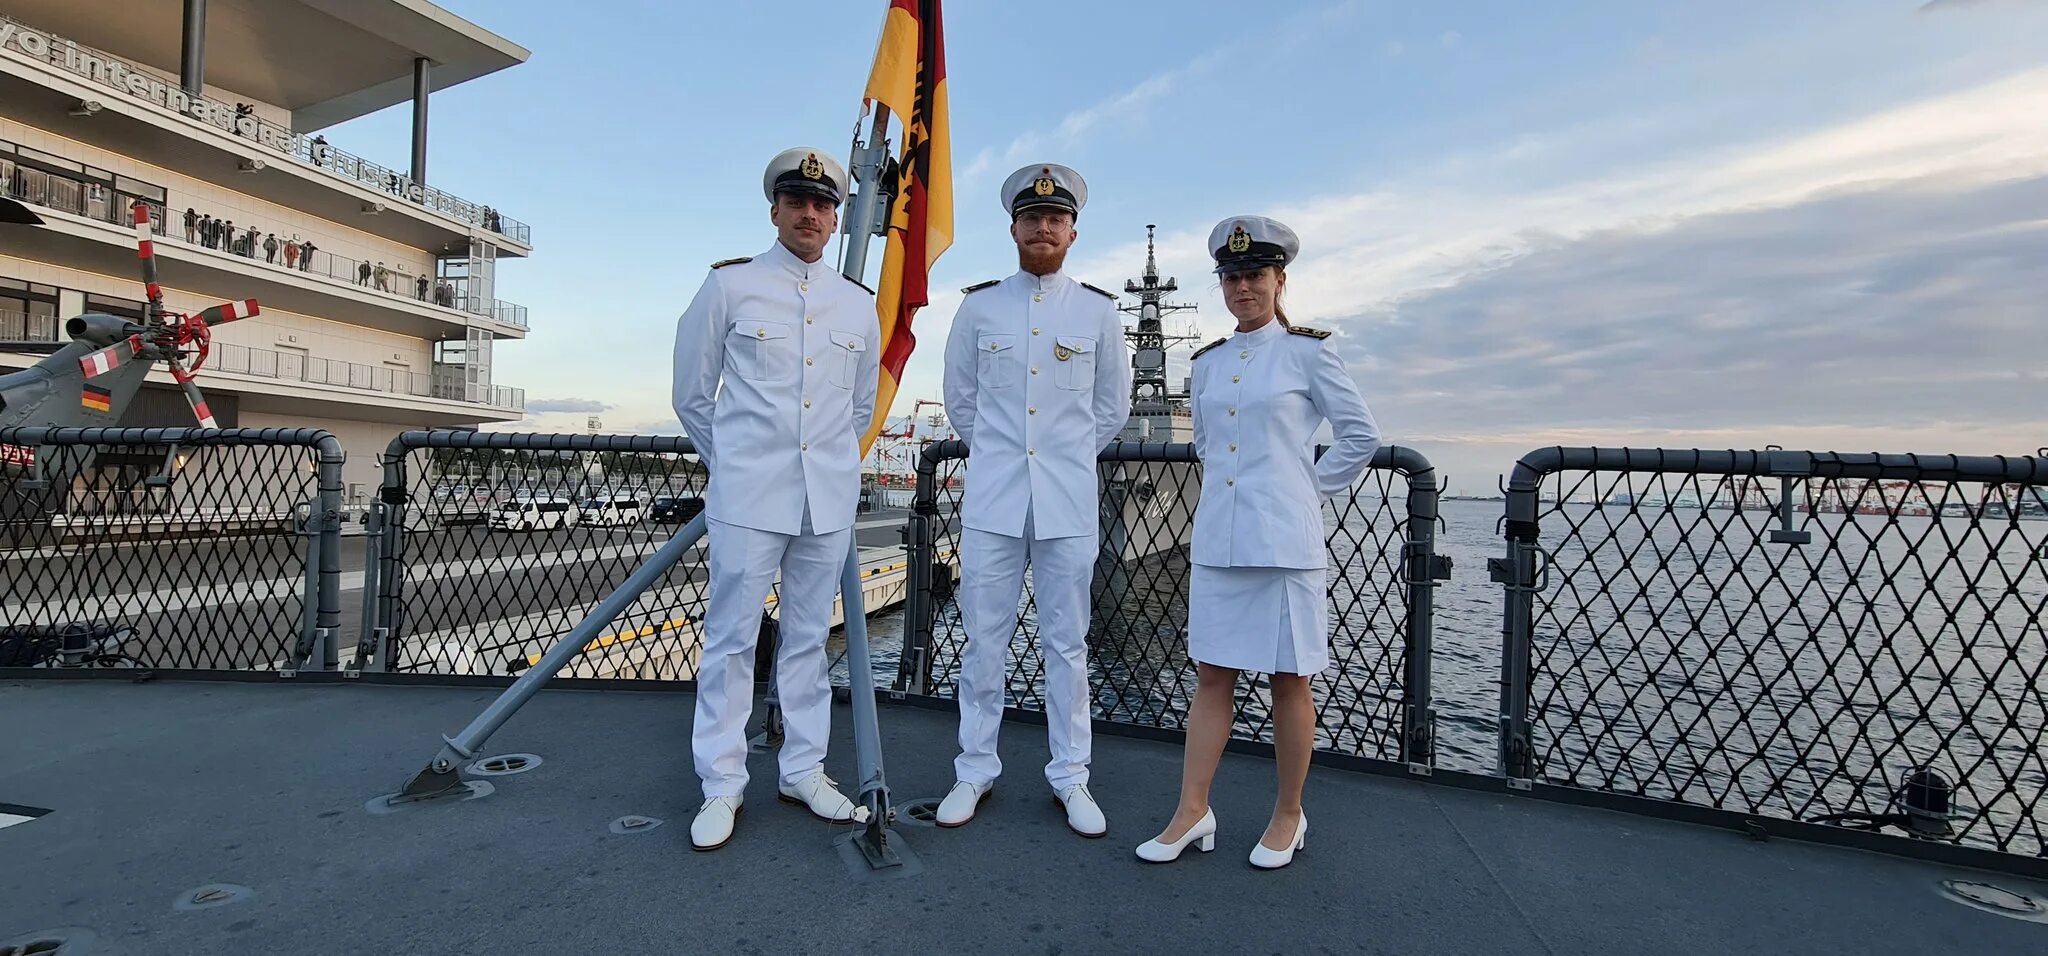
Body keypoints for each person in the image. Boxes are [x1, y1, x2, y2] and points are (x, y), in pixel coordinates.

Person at [1134, 216, 1380, 870]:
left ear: (1279, 279)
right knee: (1210, 676)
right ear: (1224, 283)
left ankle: (1288, 813)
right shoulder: (1208, 363)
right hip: (1218, 539)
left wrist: (1303, 488)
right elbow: (1211, 447)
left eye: (1255, 275)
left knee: (1289, 680)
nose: (1243, 287)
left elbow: (1361, 436)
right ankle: (1192, 811)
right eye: (1233, 277)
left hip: (1284, 543)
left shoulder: (1310, 352)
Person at [671, 146, 881, 851]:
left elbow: (858, 409)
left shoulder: (856, 304)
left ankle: (804, 769)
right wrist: (736, 463)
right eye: (799, 201)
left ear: (834, 217)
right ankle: (722, 784)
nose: (812, 213)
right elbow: (692, 396)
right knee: (730, 640)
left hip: (824, 498)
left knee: (806, 642)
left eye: (824, 204)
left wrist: (822, 465)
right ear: (776, 210)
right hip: (749, 495)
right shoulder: (729, 287)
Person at [935, 164, 1131, 837]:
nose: (1043, 227)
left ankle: (1070, 777)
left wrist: (1062, 459)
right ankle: (973, 770)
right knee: (983, 643)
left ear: (1073, 230)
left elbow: (1110, 408)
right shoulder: (979, 307)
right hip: (993, 501)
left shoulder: (1099, 312)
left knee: (1067, 647)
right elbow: (962, 401)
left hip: (1067, 504)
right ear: (1013, 227)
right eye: (1032, 217)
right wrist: (999, 454)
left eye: (1056, 217)